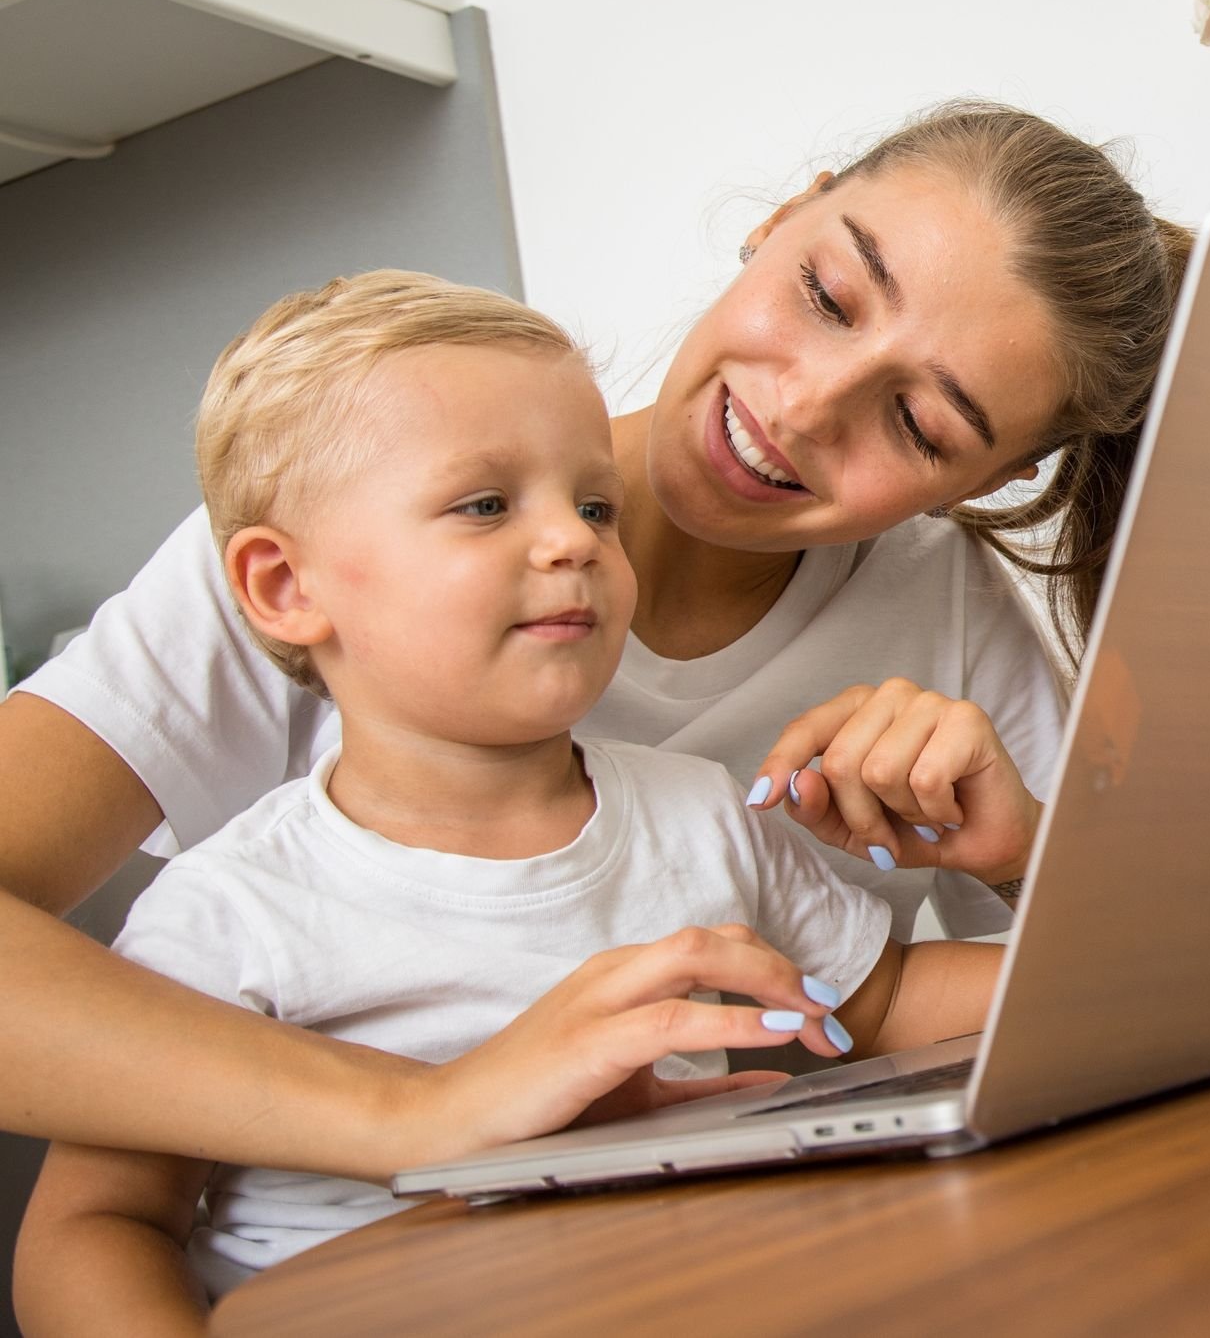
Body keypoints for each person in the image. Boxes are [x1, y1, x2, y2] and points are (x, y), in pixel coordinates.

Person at [0, 101, 1192, 1185]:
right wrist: (426, 1116)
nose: (801, 404)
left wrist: (1022, 856)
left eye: (921, 424)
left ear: (985, 480)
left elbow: (1135, 998)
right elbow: (101, 1227)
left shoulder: (940, 616)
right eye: (827, 296)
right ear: (780, 221)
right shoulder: (338, 530)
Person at [14, 272, 1010, 1332]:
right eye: (485, 504)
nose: (573, 541)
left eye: (595, 507)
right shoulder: (227, 911)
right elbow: (96, 1229)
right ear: (283, 589)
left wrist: (1158, 967)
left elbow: (886, 997)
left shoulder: (701, 815)